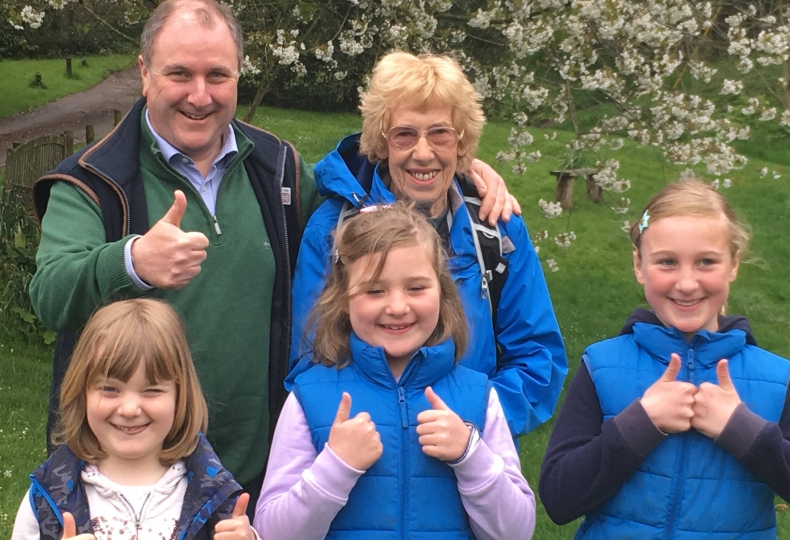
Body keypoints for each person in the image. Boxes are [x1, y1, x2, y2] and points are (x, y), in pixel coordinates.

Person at [28, 0, 517, 502]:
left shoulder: (277, 169)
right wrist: (131, 262)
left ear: (238, 76)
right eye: (180, 74)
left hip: (253, 473)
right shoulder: (92, 179)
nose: (200, 95)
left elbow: (358, 206)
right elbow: (49, 293)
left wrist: (461, 171)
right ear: (145, 73)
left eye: (217, 75)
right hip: (128, 466)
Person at [288, 51, 566, 440]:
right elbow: (309, 363)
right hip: (366, 457)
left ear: (461, 141)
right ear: (381, 143)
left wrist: (470, 422)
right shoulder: (333, 231)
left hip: (470, 457)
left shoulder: (496, 230)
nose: (423, 152)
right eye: (404, 134)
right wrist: (392, 431)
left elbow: (540, 360)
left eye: (440, 133)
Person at [254, 204, 536, 539]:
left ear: (442, 292)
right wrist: (334, 468)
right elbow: (271, 533)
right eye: (375, 290)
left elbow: (516, 532)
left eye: (416, 288)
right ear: (344, 297)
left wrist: (470, 455)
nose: (398, 307)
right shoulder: (309, 395)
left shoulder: (479, 396)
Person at [539, 179, 790, 538]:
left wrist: (743, 430)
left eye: (706, 262)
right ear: (639, 265)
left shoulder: (777, 379)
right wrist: (641, 423)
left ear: (733, 264)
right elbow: (558, 499)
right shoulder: (602, 366)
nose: (687, 283)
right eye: (667, 262)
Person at [10, 298, 256, 540]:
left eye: (152, 390)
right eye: (109, 389)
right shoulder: (48, 494)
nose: (129, 409)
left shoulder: (216, 498)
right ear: (82, 392)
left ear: (180, 396)